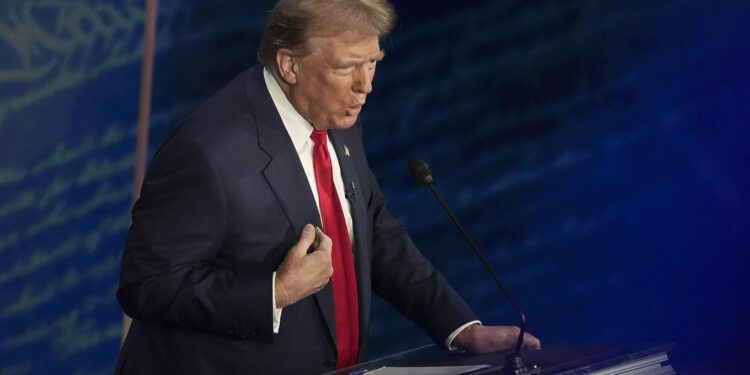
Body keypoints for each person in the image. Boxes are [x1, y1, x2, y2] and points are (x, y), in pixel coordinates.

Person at [115, 0, 540, 373]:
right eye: (346, 67)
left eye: (373, 62)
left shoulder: (333, 111)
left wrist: (460, 328)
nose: (366, 85)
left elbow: (369, 229)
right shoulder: (206, 150)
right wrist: (273, 293)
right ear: (289, 65)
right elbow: (147, 285)